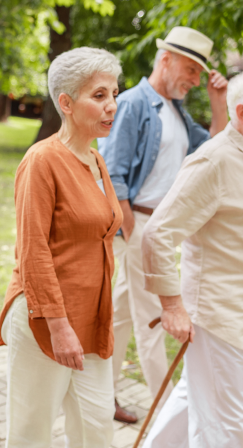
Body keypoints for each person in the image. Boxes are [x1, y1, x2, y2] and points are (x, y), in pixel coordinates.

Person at [136, 65, 243, 448]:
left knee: (195, 397)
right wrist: (171, 306)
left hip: (242, 313)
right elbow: (157, 234)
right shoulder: (214, 162)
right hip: (217, 317)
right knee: (227, 425)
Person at [0, 47, 124, 448]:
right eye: (99, 95)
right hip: (45, 319)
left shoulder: (96, 159)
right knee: (30, 437)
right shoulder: (42, 160)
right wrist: (58, 325)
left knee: (96, 425)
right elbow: (32, 250)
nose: (111, 105)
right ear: (66, 103)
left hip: (93, 317)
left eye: (114, 94)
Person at [97, 26, 229, 423]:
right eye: (191, 70)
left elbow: (214, 151)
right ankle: (170, 418)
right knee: (154, 321)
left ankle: (103, 398)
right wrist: (135, 233)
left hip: (159, 229)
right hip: (140, 227)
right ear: (166, 59)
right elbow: (113, 171)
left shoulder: (176, 111)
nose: (194, 80)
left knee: (120, 317)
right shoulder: (135, 103)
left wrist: (218, 103)